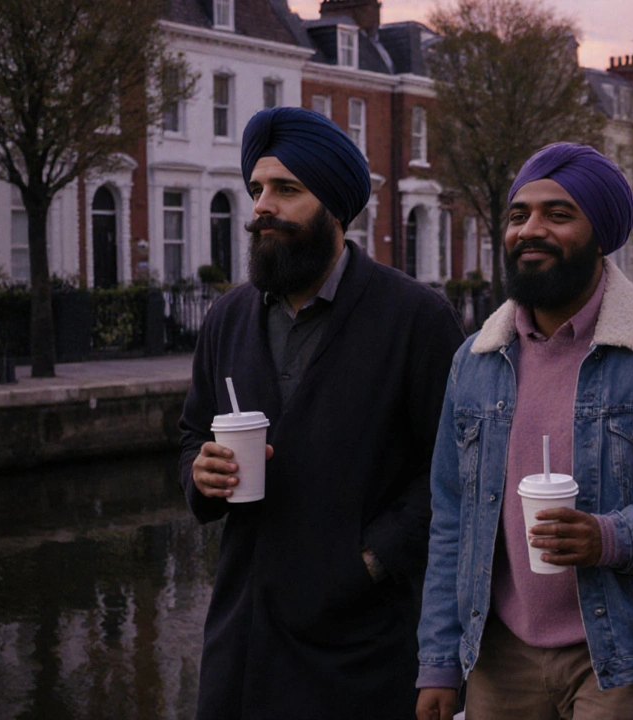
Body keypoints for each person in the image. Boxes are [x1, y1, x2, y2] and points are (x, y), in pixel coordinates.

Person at [415, 142, 633, 720]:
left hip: (630, 656)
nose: (530, 229)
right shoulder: (475, 361)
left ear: (600, 238)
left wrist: (610, 538)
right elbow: (452, 518)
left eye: (558, 214)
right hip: (501, 657)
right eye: (519, 215)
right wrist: (439, 660)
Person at [179, 106, 465, 720]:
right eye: (256, 189)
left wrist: (368, 562)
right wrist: (199, 475)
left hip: (360, 652)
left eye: (287, 189)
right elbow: (190, 436)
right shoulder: (227, 320)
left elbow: (455, 474)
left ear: (335, 206)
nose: (261, 206)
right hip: (242, 644)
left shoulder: (415, 319)